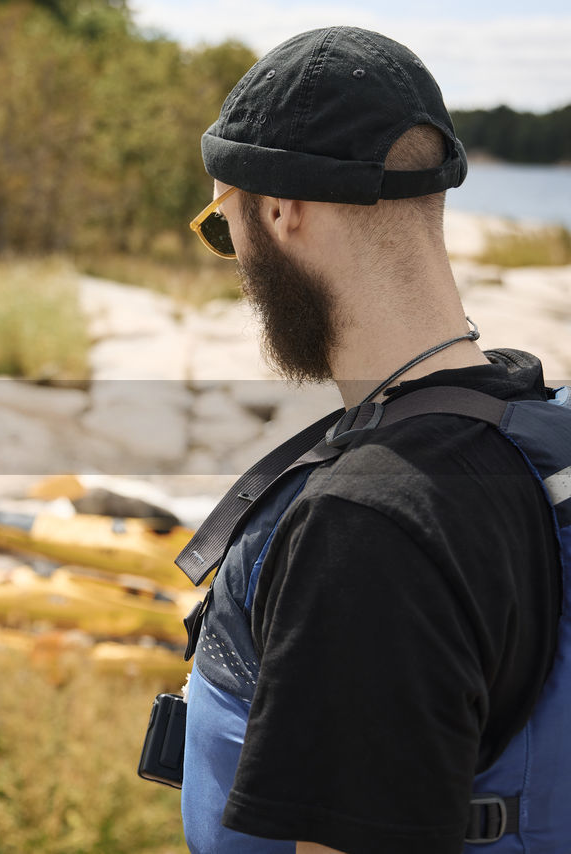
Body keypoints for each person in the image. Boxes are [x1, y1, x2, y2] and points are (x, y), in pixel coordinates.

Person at [169, 26, 571, 854]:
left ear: (281, 210)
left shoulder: (369, 526)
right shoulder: (538, 425)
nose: (234, 260)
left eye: (223, 224)